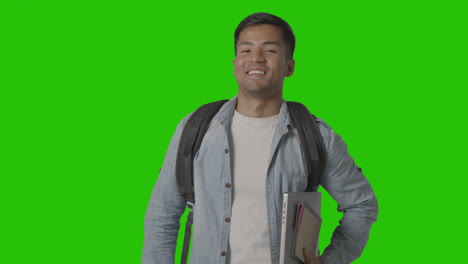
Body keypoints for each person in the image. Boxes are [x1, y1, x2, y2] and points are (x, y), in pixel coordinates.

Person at [143, 12, 378, 264]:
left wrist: (331, 260)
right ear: (234, 64)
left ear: (289, 66)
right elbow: (162, 215)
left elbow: (361, 205)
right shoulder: (196, 128)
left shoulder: (316, 136)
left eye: (270, 51)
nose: (256, 58)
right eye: (246, 50)